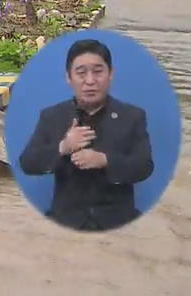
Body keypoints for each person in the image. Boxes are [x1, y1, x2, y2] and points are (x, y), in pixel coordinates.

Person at [19, 38, 153, 231]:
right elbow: (28, 163)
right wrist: (64, 146)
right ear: (69, 77)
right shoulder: (52, 116)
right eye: (81, 73)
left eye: (98, 72)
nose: (90, 81)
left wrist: (105, 160)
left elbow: (144, 166)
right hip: (65, 221)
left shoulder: (132, 117)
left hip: (119, 222)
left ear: (110, 74)